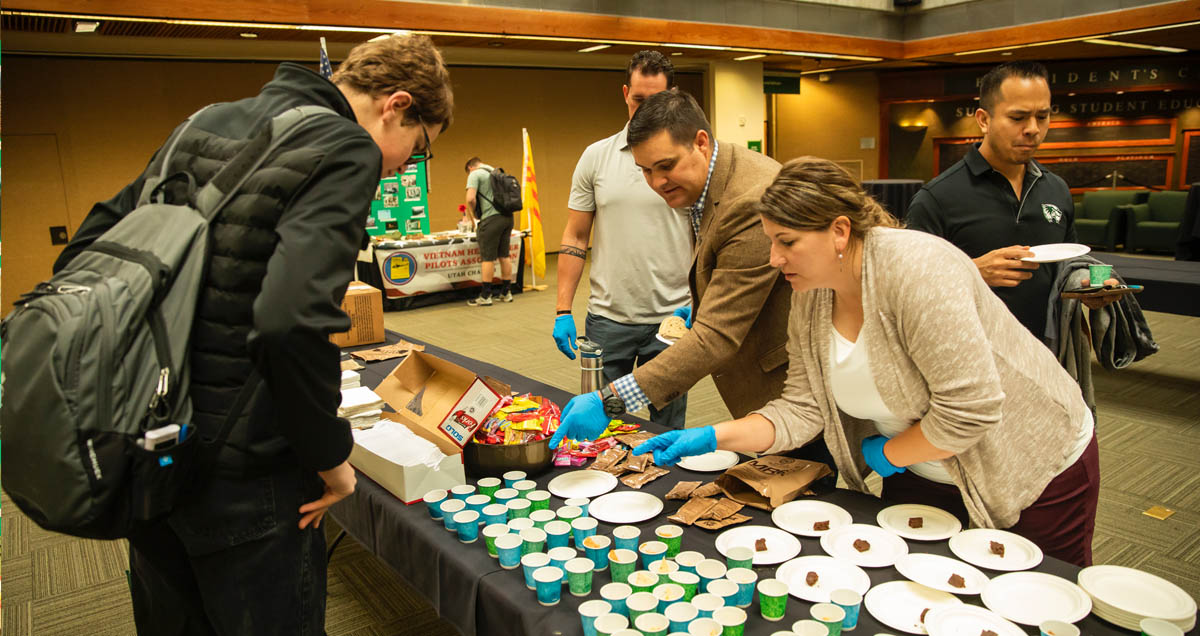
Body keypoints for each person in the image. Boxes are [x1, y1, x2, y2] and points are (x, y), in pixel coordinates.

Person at [52, 34, 453, 634]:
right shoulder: (345, 146)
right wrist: (330, 456)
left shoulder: (205, 121)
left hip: (145, 445)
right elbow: (288, 322)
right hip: (244, 474)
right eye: (417, 149)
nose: (402, 166)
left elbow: (83, 257)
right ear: (396, 105)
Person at [636, 157, 1099, 567]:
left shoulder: (917, 270)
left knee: (1036, 601)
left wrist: (887, 453)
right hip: (921, 467)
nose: (774, 259)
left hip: (1029, 462)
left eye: (787, 242)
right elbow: (803, 407)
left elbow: (971, 410)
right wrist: (714, 435)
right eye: (770, 242)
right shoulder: (811, 296)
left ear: (839, 231)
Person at [551, 91, 835, 481]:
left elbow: (716, 337)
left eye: (665, 166)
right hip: (767, 384)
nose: (656, 182)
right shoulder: (706, 180)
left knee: (807, 495)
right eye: (645, 171)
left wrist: (610, 399)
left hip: (790, 389)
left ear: (701, 142)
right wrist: (700, 304)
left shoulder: (750, 200)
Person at [906, 61, 1119, 340]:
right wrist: (974, 272)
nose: (1032, 129)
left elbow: (1067, 265)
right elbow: (906, 288)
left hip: (1046, 354)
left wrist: (1086, 287)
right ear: (983, 119)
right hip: (973, 356)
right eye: (1018, 118)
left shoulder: (1056, 188)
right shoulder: (937, 197)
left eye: (1042, 117)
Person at [553, 51, 694, 429]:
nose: (646, 111)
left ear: (674, 97)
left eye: (657, 102)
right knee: (604, 423)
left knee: (666, 429)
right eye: (638, 100)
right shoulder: (596, 157)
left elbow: (710, 239)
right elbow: (576, 235)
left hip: (673, 320)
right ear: (624, 93)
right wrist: (562, 310)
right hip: (608, 320)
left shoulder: (689, 165)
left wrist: (705, 303)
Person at [465, 156, 516, 305]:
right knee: (504, 255)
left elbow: (470, 198)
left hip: (491, 219)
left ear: (470, 168)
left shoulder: (475, 174)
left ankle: (486, 296)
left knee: (488, 258)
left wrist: (474, 214)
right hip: (507, 217)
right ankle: (506, 292)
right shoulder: (496, 172)